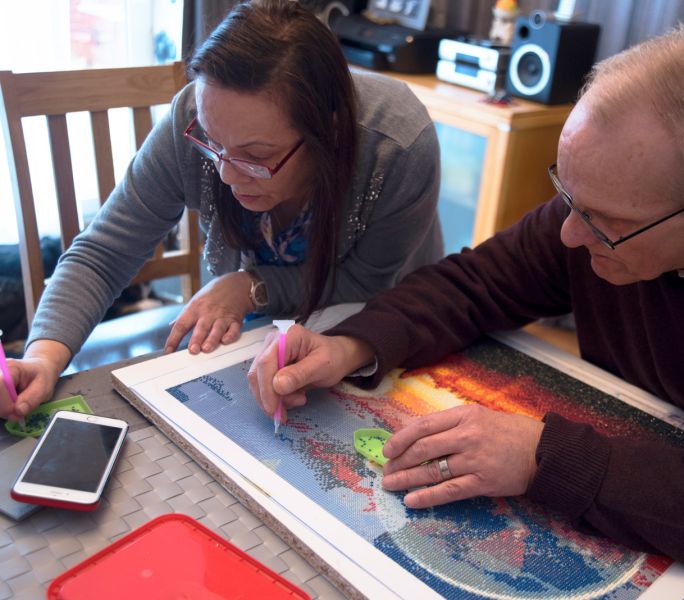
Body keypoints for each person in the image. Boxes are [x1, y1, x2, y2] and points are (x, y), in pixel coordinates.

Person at [248, 28, 684, 560]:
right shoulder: (592, 212)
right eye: (566, 195)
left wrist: (542, 455)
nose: (570, 234)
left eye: (608, 221)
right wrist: (352, 345)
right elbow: (475, 283)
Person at [0, 0, 443, 420]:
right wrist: (42, 356)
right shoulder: (194, 115)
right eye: (213, 144)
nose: (227, 176)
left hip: (379, 340)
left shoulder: (397, 146)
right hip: (254, 342)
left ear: (326, 133)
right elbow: (104, 253)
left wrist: (252, 286)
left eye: (255, 155)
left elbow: (364, 283)